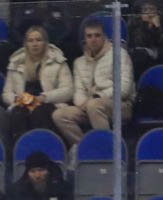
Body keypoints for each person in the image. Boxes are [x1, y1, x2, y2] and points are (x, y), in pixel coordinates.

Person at [52, 17, 134, 146]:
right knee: (59, 115)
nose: (93, 39)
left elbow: (124, 88)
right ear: (85, 39)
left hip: (120, 105)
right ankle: (85, 147)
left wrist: (97, 97)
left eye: (97, 35)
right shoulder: (79, 62)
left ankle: (106, 149)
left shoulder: (119, 54)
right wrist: (82, 103)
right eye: (89, 36)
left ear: (104, 37)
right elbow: (78, 92)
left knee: (94, 105)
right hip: (88, 106)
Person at [4, 25, 73, 142]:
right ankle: (22, 149)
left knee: (40, 112)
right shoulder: (15, 63)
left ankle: (42, 146)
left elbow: (68, 90)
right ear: (26, 44)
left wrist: (44, 97)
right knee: (18, 113)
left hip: (49, 103)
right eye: (30, 41)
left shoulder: (58, 62)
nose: (34, 44)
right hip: (23, 103)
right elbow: (6, 93)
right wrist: (16, 99)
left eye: (38, 40)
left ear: (45, 43)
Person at [126, 0, 163, 77]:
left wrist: (157, 27)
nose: (148, 13)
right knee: (140, 57)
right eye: (145, 10)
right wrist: (145, 25)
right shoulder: (135, 22)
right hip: (141, 56)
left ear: (157, 11)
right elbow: (138, 43)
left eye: (151, 9)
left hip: (160, 56)